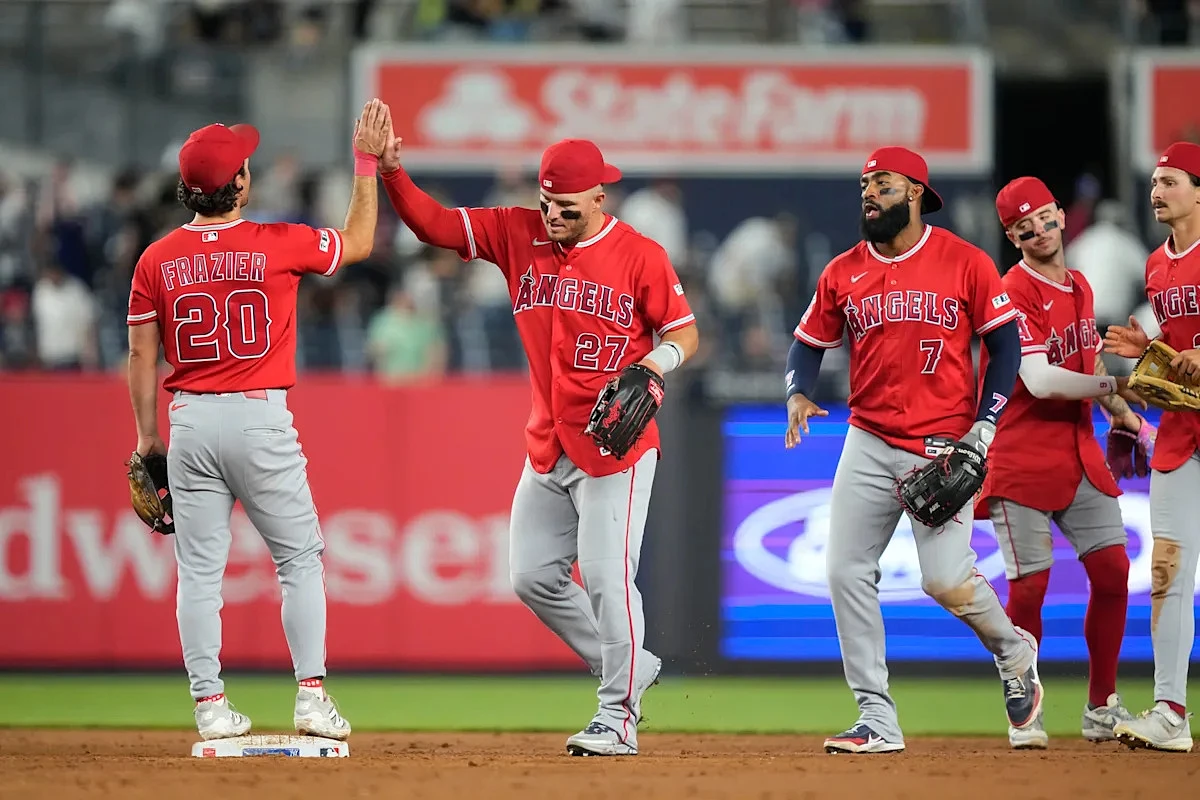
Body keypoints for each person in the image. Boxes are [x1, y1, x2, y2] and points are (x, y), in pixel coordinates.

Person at [378, 134, 699, 757]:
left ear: (600, 197)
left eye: (567, 206)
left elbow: (685, 334)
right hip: (549, 442)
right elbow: (434, 225)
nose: (553, 215)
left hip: (617, 447)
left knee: (608, 578)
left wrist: (651, 366)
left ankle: (618, 714)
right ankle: (633, 663)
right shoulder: (516, 231)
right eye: (547, 202)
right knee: (531, 578)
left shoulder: (640, 255)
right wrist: (393, 174)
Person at [125, 99, 391, 742]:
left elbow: (141, 352)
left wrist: (147, 438)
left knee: (199, 572)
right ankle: (310, 697)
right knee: (298, 558)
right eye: (243, 165)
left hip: (188, 420)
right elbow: (357, 242)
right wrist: (365, 162)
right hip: (258, 417)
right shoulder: (277, 242)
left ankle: (210, 706)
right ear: (238, 184)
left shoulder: (155, 259)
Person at [784, 146, 1042, 754]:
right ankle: (876, 716)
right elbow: (807, 343)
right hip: (868, 439)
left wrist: (985, 426)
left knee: (946, 581)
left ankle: (1013, 650)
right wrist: (798, 393)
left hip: (944, 446)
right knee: (845, 569)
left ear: (917, 194)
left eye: (886, 184)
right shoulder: (843, 270)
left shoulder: (966, 262)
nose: (871, 193)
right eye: (866, 184)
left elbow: (1004, 350)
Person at [979, 176, 1149, 749]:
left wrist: (1120, 410)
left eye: (1047, 217)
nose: (1040, 229)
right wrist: (1114, 381)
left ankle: (1102, 705)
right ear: (1012, 234)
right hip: (1023, 454)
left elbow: (1083, 360)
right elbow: (1039, 379)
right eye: (1025, 225)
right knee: (1030, 589)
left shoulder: (1078, 284)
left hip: (1077, 451)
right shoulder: (1010, 290)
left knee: (1114, 573)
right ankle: (1024, 704)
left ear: (1060, 216)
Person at [1104, 141, 1200, 753]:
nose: (1157, 191)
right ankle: (1170, 710)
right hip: (1186, 433)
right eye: (1154, 182)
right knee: (1167, 570)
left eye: (1170, 181)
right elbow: (1180, 360)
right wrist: (1151, 351)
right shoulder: (1156, 266)